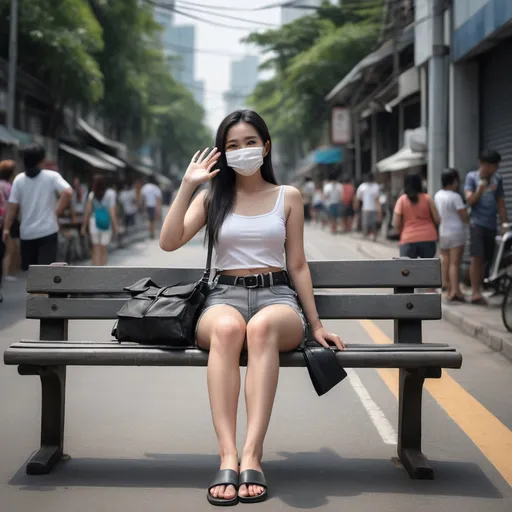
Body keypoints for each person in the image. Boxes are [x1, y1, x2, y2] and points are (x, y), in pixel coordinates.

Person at [160, 110, 345, 505]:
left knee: (261, 329)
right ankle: (227, 454)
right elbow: (169, 241)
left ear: (265, 146)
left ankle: (252, 454)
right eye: (231, 145)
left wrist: (315, 324)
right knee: (228, 330)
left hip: (277, 298)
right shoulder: (213, 198)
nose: (241, 151)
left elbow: (296, 264)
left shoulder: (287, 197)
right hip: (222, 298)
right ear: (222, 154)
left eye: (248, 143)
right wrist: (187, 186)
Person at [2, 144, 73, 271]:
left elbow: (12, 207)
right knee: (45, 275)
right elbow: (68, 192)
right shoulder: (51, 176)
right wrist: (57, 211)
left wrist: (6, 228)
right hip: (48, 230)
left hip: (27, 233)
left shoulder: (19, 180)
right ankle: (41, 292)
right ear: (41, 160)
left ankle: (36, 292)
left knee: (32, 275)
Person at [464, 150, 508, 305]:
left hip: (491, 224)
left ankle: (485, 286)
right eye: (492, 165)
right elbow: (469, 201)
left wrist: (504, 224)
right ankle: (476, 293)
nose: (494, 169)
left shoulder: (498, 179)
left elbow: (500, 203)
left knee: (488, 258)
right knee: (476, 257)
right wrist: (481, 187)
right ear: (483, 164)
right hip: (476, 224)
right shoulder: (472, 177)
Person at [435, 169, 469, 301]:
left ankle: (447, 287)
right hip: (456, 232)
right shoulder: (455, 197)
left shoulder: (438, 195)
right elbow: (464, 216)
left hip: (443, 231)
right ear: (454, 181)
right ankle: (455, 291)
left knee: (445, 261)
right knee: (455, 263)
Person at [394, 173, 440, 261]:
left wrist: (403, 232)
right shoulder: (427, 198)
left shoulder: (402, 200)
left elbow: (396, 224)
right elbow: (437, 220)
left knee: (407, 271)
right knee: (428, 269)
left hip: (408, 238)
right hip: (428, 237)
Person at [81, 174, 118, 266]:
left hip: (94, 222)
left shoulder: (92, 194)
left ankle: (95, 271)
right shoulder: (111, 194)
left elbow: (88, 211)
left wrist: (84, 226)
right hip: (106, 223)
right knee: (104, 249)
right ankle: (103, 272)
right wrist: (115, 226)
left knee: (95, 249)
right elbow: (112, 212)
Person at [0, 160, 19, 290]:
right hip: (7, 220)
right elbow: (13, 205)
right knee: (8, 247)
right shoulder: (9, 187)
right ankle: (6, 273)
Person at [356, 173, 382, 241]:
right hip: (366, 208)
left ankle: (372, 236)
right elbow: (358, 198)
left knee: (373, 224)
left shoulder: (375, 186)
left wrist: (379, 210)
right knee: (366, 224)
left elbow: (377, 199)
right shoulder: (363, 186)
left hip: (373, 208)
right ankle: (366, 236)